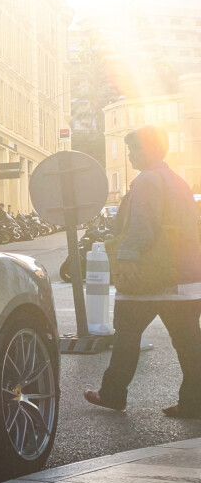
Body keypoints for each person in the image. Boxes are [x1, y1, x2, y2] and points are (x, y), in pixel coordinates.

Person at [85, 125, 201, 417]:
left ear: (148, 150)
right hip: (185, 279)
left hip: (148, 277)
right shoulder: (178, 181)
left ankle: (112, 394)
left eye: (133, 149)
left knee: (126, 336)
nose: (130, 155)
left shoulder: (148, 180)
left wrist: (126, 259)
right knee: (189, 345)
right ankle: (194, 403)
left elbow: (142, 225)